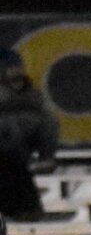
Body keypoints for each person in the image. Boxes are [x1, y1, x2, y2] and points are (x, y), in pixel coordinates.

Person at [0, 55, 57, 221]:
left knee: (45, 122)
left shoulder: (23, 88)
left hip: (15, 146)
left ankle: (23, 208)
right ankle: (21, 207)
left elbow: (35, 104)